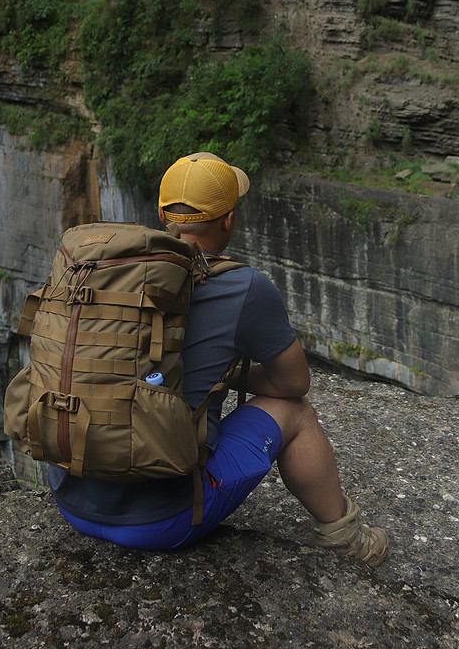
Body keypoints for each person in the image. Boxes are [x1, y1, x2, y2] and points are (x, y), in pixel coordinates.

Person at [47, 152, 388, 566]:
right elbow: (293, 383)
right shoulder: (244, 286)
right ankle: (347, 538)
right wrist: (230, 374)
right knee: (293, 412)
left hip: (72, 502)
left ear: (161, 213)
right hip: (163, 521)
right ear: (229, 219)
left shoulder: (102, 268)